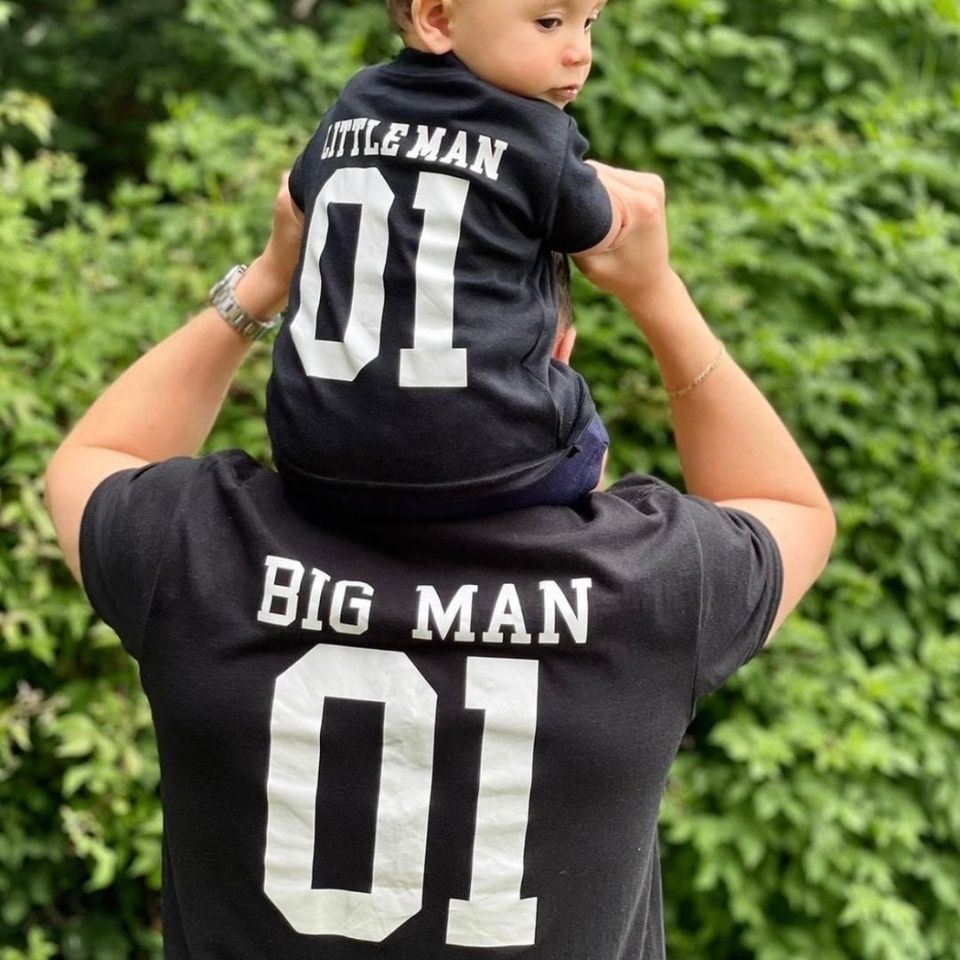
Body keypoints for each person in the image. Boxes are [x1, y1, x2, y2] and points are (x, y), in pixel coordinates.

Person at [45, 166, 835, 960]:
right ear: (559, 349)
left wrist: (268, 276)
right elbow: (786, 506)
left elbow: (97, 458)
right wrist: (655, 293)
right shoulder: (650, 580)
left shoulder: (199, 547)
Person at [267, 0, 629, 518]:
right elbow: (598, 229)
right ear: (438, 19)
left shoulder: (354, 101)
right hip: (485, 461)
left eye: (588, 23)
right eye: (550, 22)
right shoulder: (537, 134)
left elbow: (301, 196)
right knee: (586, 439)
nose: (580, 54)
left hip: (311, 460)